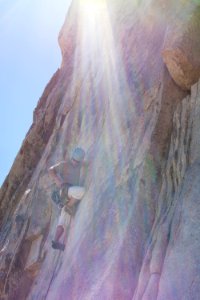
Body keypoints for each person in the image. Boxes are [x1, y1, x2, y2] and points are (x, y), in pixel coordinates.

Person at [49, 147, 86, 251]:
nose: (75, 162)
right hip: (65, 191)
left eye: (77, 161)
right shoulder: (65, 164)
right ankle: (68, 205)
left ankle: (55, 242)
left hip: (69, 196)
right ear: (72, 157)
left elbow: (86, 163)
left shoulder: (79, 165)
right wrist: (57, 179)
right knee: (82, 191)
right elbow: (51, 170)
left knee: (63, 222)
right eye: (74, 160)